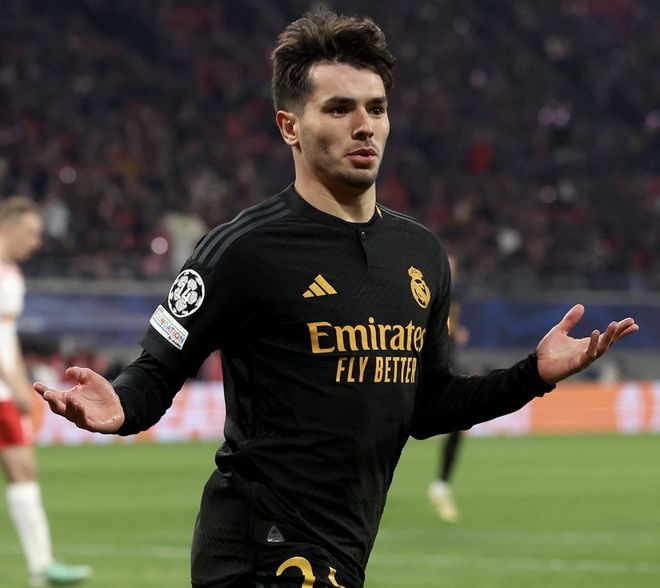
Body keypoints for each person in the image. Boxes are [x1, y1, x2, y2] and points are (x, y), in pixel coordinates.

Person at [34, 11, 638, 588]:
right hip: (261, 550)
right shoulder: (242, 250)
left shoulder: (421, 255)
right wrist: (123, 405)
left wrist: (533, 374)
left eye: (376, 108)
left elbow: (427, 405)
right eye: (339, 108)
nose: (364, 125)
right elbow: (156, 370)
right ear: (289, 127)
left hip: (342, 550)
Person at [0, 196, 91, 587]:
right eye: (31, 233)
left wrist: (19, 382)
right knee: (21, 468)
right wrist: (14, 382)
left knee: (23, 468)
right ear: (8, 229)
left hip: (4, 393)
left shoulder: (13, 277)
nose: (36, 242)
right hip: (4, 388)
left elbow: (5, 339)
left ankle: (41, 566)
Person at [428, 254, 469, 523]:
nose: (450, 271)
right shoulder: (425, 289)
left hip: (447, 367)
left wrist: (456, 331)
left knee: (459, 424)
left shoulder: (453, 296)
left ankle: (441, 485)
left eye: (453, 267)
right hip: (426, 368)